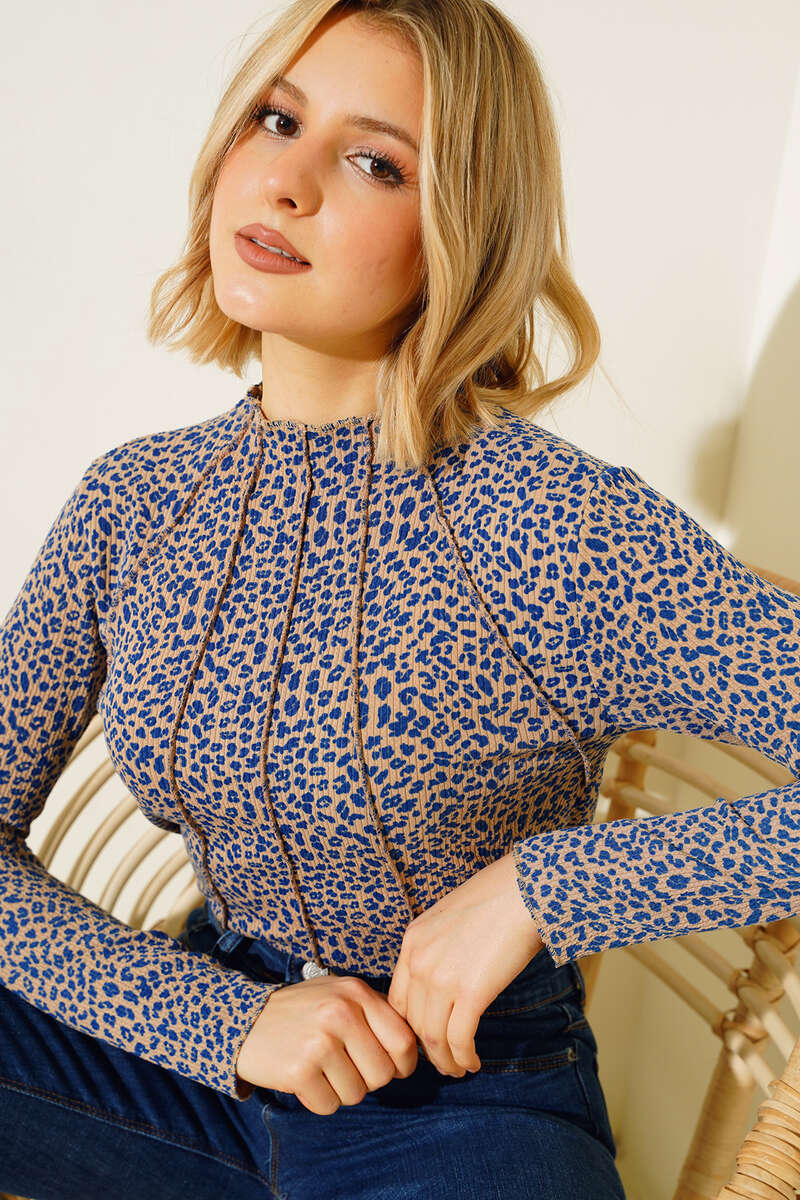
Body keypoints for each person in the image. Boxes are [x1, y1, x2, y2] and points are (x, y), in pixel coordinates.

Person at [1, 2, 797, 1198]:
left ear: (458, 228)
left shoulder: (547, 523)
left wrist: (545, 889)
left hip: (459, 1105)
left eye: (374, 162)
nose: (285, 181)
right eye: (276, 121)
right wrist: (218, 1022)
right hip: (189, 1063)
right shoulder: (134, 503)